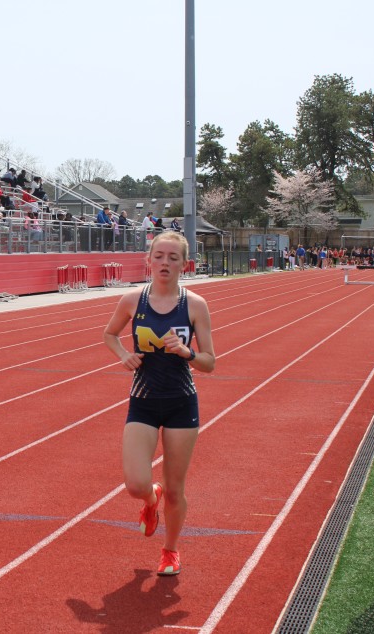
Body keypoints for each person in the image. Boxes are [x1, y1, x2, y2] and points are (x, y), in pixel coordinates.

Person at [102, 230, 216, 577]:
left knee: (176, 490)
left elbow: (209, 362)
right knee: (136, 484)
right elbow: (109, 334)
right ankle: (150, 499)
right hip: (143, 401)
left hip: (181, 403)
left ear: (185, 264)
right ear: (149, 260)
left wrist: (187, 352)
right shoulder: (132, 300)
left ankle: (170, 551)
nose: (165, 262)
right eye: (159, 256)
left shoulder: (194, 305)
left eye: (173, 257)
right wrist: (124, 355)